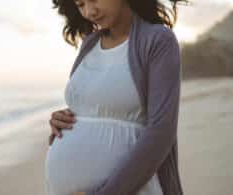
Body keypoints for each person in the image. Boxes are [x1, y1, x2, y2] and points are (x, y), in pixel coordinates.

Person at [45, 0, 188, 195]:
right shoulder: (89, 44)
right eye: (80, 4)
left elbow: (162, 132)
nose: (89, 11)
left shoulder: (158, 40)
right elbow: (92, 106)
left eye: (94, 0)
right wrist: (62, 119)